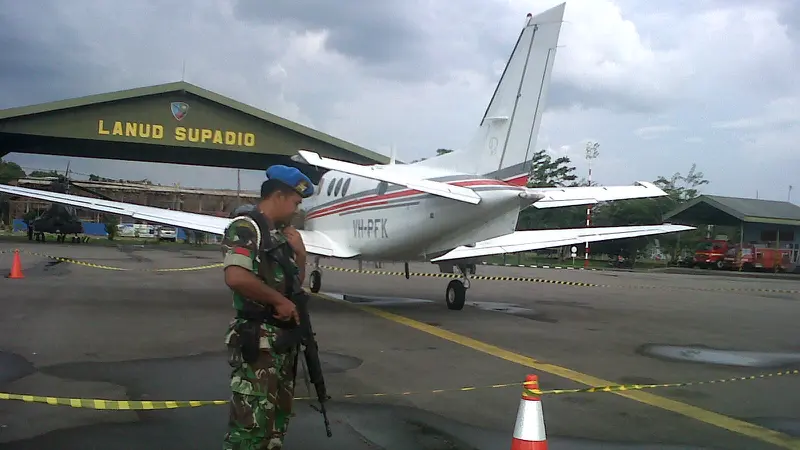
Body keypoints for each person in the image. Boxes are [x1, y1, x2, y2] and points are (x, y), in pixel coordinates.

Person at [221, 164, 314, 449]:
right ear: (279, 195)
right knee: (249, 427)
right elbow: (236, 277)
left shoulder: (279, 236)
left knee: (275, 424)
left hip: (281, 344)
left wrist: (300, 255)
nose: (297, 210)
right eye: (296, 203)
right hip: (258, 342)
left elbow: (293, 285)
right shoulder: (246, 227)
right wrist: (278, 301)